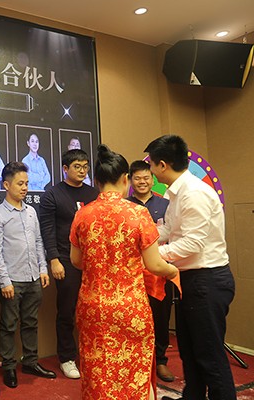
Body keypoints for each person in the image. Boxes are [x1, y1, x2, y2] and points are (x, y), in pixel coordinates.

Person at [69, 144, 178, 400]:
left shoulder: (83, 214)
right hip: (130, 307)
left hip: (94, 307)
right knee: (134, 368)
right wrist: (174, 270)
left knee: (98, 369)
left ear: (96, 181)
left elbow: (76, 260)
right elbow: (155, 265)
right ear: (125, 179)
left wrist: (100, 263)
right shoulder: (138, 213)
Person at [145, 135, 237, 400]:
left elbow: (192, 244)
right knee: (189, 349)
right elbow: (168, 230)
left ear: (163, 165)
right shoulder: (177, 193)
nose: (150, 172)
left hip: (206, 280)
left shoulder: (193, 193)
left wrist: (150, 257)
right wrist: (141, 237)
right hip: (190, 280)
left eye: (151, 165)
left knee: (209, 354)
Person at [0, 162, 56, 389]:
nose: (25, 187)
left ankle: (30, 362)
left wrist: (43, 269)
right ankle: (9, 366)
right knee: (8, 325)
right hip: (12, 280)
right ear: (6, 185)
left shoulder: (31, 212)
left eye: (26, 183)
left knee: (31, 322)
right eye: (20, 183)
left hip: (33, 278)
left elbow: (38, 242)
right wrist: (4, 281)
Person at [39, 148, 98, 379]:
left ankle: (91, 353)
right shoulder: (52, 194)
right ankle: (66, 357)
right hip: (65, 259)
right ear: (65, 169)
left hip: (92, 261)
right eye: (77, 167)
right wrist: (54, 260)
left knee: (92, 309)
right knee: (67, 310)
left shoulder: (94, 193)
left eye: (85, 166)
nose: (82, 171)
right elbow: (47, 230)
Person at [127, 160, 175, 383]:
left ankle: (161, 360)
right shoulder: (125, 206)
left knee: (161, 317)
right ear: (130, 180)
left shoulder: (165, 204)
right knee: (134, 319)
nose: (142, 182)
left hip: (160, 270)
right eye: (137, 178)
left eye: (146, 177)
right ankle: (137, 361)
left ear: (152, 179)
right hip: (133, 273)